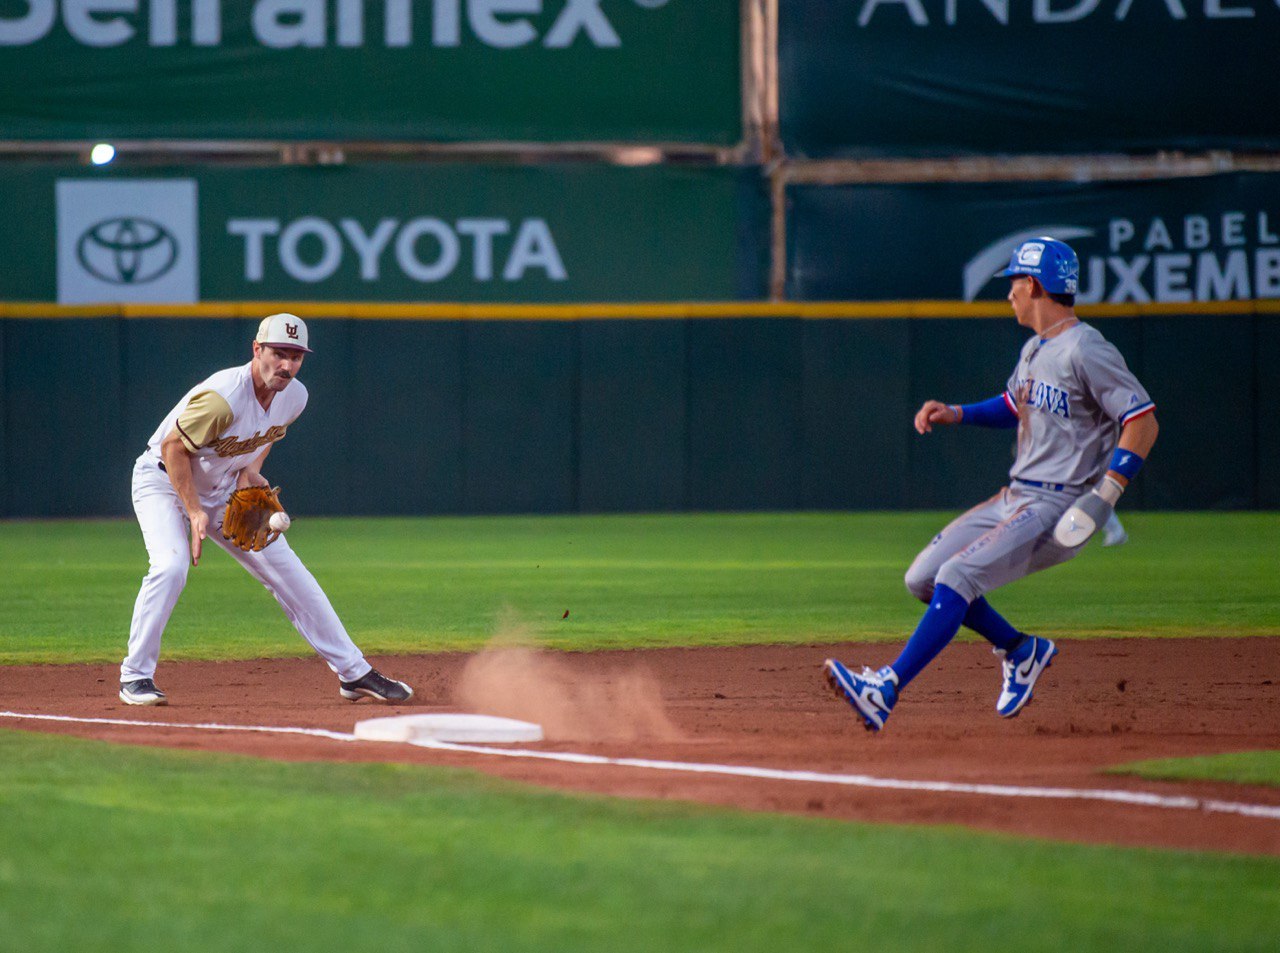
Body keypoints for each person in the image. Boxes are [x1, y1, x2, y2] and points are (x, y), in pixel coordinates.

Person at [823, 237, 1157, 731]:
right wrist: (956, 413)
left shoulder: (1087, 349)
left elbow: (1142, 420)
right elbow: (1012, 405)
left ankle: (884, 689)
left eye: (1015, 282)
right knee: (922, 578)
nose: (1009, 293)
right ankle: (1021, 650)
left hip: (1059, 507)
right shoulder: (1035, 348)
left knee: (958, 575)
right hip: (1016, 496)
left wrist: (1107, 493)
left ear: (1035, 285)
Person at [120, 314, 413, 707]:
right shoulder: (224, 397)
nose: (286, 365)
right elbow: (173, 448)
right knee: (171, 567)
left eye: (296, 356)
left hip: (222, 488)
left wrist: (249, 471)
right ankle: (135, 676)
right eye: (278, 353)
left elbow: (267, 434)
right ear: (257, 350)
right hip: (163, 482)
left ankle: (354, 672)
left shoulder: (295, 396)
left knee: (290, 573)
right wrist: (193, 510)